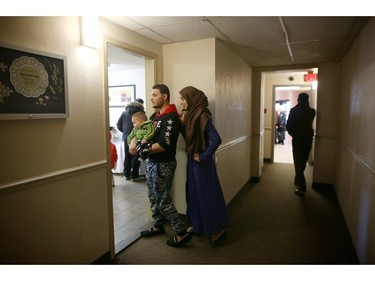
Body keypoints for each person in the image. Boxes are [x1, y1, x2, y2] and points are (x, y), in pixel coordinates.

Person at [136, 84, 191, 247]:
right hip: (152, 163)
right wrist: (140, 142)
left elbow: (163, 145)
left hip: (164, 164)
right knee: (153, 197)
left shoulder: (171, 117)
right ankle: (158, 225)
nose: (151, 98)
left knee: (163, 200)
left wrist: (143, 148)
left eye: (155, 95)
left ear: (165, 96)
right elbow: (148, 136)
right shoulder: (155, 116)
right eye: (151, 95)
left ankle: (181, 232)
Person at [178, 86, 229, 243]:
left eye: (183, 99)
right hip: (192, 161)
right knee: (193, 194)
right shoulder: (192, 115)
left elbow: (216, 139)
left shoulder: (202, 114)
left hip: (202, 164)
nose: (181, 102)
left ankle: (218, 228)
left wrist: (204, 156)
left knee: (207, 195)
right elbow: (190, 138)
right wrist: (183, 124)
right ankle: (197, 224)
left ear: (191, 98)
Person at [286, 92, 316, 196]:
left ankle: (302, 187)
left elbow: (289, 126)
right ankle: (298, 178)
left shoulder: (294, 110)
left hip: (298, 139)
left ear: (298, 99)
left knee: (298, 162)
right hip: (308, 139)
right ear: (307, 100)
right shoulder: (312, 111)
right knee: (303, 161)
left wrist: (293, 134)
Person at [116, 99, 145, 181]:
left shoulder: (124, 113)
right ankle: (134, 176)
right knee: (136, 156)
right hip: (137, 136)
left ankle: (126, 174)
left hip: (126, 137)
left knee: (127, 156)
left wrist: (125, 132)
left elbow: (118, 124)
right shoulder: (141, 114)